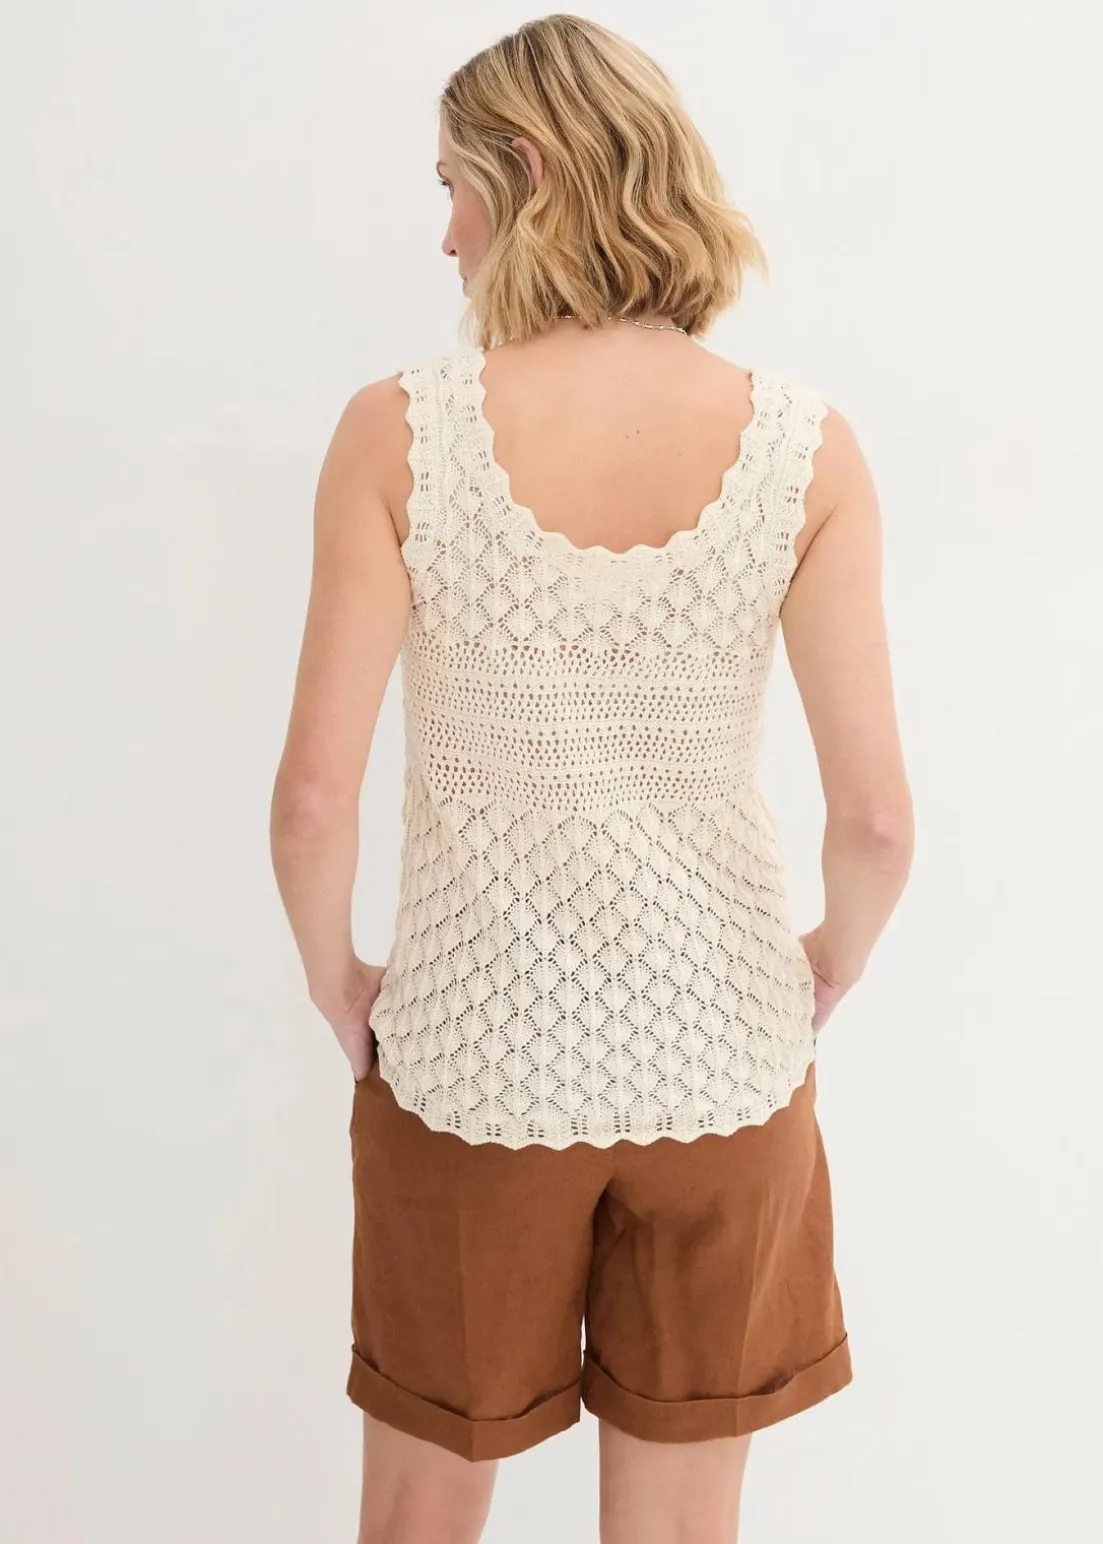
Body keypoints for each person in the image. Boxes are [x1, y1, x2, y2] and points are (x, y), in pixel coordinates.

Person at [269, 13, 914, 1543]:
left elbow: (310, 798)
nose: (444, 233)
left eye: (451, 185)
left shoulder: (398, 435)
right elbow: (878, 820)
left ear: (530, 168)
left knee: (419, 1513)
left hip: (468, 1068)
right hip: (722, 1067)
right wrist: (827, 962)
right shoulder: (802, 449)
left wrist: (336, 981)